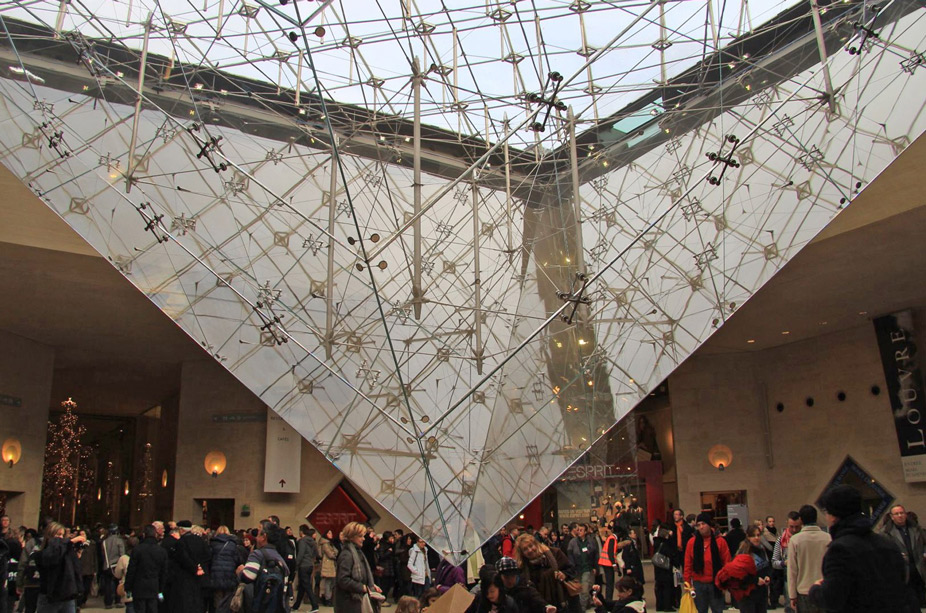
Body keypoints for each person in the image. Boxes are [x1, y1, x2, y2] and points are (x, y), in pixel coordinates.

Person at [808, 485, 911, 613]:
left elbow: (832, 598)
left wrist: (816, 590)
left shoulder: (840, 551)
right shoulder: (888, 544)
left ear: (833, 516)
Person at [511, 533, 576, 613]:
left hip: (562, 602)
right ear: (522, 553)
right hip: (539, 607)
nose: (530, 550)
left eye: (531, 546)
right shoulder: (523, 567)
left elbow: (571, 569)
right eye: (525, 549)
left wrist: (564, 574)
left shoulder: (555, 553)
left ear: (536, 544)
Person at [683, 513, 731, 613]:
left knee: (717, 610)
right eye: (698, 525)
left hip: (716, 582)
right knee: (700, 610)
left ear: (709, 525)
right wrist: (687, 582)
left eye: (703, 524)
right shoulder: (692, 542)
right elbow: (688, 564)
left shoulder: (720, 541)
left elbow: (727, 563)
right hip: (698, 584)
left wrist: (725, 582)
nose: (701, 527)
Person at [881, 504, 926, 608]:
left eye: (902, 513)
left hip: (918, 569)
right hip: (902, 572)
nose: (900, 515)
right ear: (892, 516)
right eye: (897, 514)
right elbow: (882, 553)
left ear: (906, 514)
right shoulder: (885, 533)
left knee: (921, 600)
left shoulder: (916, 529)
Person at [236, 523, 289, 613]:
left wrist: (240, 571)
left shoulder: (257, 554)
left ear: (264, 536)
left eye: (258, 532)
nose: (256, 537)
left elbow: (248, 576)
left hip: (259, 605)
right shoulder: (280, 559)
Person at [716, 526, 770, 613]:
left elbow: (766, 567)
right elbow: (738, 575)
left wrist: (767, 576)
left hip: (761, 593)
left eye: (758, 535)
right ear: (748, 537)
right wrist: (755, 580)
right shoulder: (743, 552)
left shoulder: (762, 549)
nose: (756, 538)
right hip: (747, 594)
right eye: (753, 536)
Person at [786, 505, 829, 613]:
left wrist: (792, 596)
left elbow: (792, 570)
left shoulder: (795, 540)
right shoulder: (828, 538)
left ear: (801, 520)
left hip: (804, 592)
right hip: (825, 590)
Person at [36, 522, 83, 613]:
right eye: (58, 535)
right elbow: (52, 557)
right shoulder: (41, 554)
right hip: (49, 596)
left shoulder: (67, 553)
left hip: (66, 596)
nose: (60, 538)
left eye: (62, 535)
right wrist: (69, 542)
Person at [334, 522, 381, 613]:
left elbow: (362, 574)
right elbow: (343, 580)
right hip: (349, 603)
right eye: (360, 536)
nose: (363, 539)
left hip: (355, 601)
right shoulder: (347, 554)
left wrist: (370, 585)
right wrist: (363, 587)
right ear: (352, 536)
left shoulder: (357, 552)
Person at [125, 525, 168, 613]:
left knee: (139, 609)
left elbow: (131, 570)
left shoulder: (137, 549)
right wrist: (161, 589)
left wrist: (128, 587)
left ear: (144, 535)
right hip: (154, 585)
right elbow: (164, 572)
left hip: (139, 585)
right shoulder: (161, 551)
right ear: (155, 535)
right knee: (152, 608)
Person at [770, 513, 802, 612]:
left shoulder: (803, 538)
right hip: (788, 579)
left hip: (803, 580)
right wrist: (784, 563)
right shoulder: (780, 540)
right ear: (787, 524)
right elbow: (774, 562)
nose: (794, 530)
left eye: (797, 527)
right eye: (791, 526)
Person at [209, 526, 241, 613]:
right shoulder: (233, 544)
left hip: (216, 574)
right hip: (229, 574)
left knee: (217, 598)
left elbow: (209, 558)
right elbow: (237, 559)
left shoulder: (213, 543)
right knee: (228, 598)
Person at [566, 524, 598, 611]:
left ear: (585, 531)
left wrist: (595, 567)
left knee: (585, 588)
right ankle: (584, 604)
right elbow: (570, 555)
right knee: (578, 588)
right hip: (576, 569)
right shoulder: (573, 542)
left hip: (587, 568)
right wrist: (571, 566)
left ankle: (582, 609)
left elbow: (595, 555)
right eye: (578, 530)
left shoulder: (591, 541)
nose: (579, 531)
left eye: (581, 530)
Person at [293, 525, 320, 612]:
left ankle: (314, 605)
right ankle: (296, 606)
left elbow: (301, 554)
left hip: (303, 565)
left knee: (307, 586)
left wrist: (296, 564)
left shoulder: (302, 542)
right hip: (310, 565)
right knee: (302, 586)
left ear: (301, 532)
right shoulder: (312, 541)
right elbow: (316, 553)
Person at [649, 520, 674, 612]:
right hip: (666, 567)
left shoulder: (656, 542)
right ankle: (667, 606)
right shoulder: (666, 543)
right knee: (667, 587)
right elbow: (671, 554)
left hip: (658, 567)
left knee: (659, 587)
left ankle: (659, 605)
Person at [101, 525, 126, 609]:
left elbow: (103, 554)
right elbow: (122, 554)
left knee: (107, 584)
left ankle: (108, 603)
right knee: (118, 583)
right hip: (117, 565)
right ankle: (118, 601)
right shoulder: (119, 541)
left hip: (107, 565)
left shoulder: (104, 541)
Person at [598, 526, 618, 602]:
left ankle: (608, 599)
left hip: (605, 562)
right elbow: (610, 552)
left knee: (609, 583)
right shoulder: (612, 539)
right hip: (608, 563)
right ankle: (608, 600)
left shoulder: (610, 538)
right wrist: (614, 564)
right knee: (610, 583)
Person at [319, 530, 338, 606]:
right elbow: (330, 554)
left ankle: (327, 597)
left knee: (330, 583)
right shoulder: (325, 544)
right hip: (327, 565)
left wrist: (334, 552)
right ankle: (327, 599)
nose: (331, 534)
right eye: (329, 533)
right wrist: (334, 553)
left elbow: (336, 551)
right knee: (327, 583)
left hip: (331, 565)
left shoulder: (330, 543)